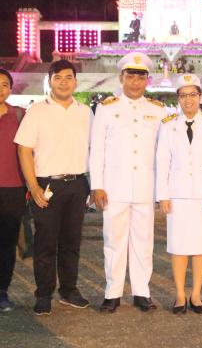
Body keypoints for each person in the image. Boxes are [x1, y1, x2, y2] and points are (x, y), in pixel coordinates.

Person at [90, 52, 167, 314]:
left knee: (143, 242)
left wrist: (162, 190)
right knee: (113, 241)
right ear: (121, 78)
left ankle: (141, 292)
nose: (135, 82)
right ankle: (112, 293)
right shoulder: (107, 108)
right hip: (114, 187)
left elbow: (163, 153)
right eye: (130, 76)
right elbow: (97, 149)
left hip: (145, 186)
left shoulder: (157, 110)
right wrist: (97, 185)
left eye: (140, 77)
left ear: (147, 80)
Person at [15, 60, 92, 316]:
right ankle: (43, 294)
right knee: (45, 242)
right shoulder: (37, 111)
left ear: (75, 82)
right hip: (47, 185)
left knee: (71, 242)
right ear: (50, 81)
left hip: (77, 184)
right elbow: (24, 150)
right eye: (58, 77)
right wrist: (33, 186)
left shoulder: (85, 112)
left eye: (68, 77)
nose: (63, 82)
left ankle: (69, 291)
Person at [156, 74, 202, 314]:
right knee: (178, 246)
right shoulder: (168, 124)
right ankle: (179, 295)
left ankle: (196, 295)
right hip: (177, 193)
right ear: (178, 98)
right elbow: (162, 161)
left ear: (200, 96)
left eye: (193, 95)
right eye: (183, 95)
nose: (188, 100)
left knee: (201, 246)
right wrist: (163, 195)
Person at [0, 69, 26, 312]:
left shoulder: (20, 115)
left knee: (7, 244)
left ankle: (2, 292)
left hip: (13, 189)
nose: (0, 89)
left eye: (4, 84)